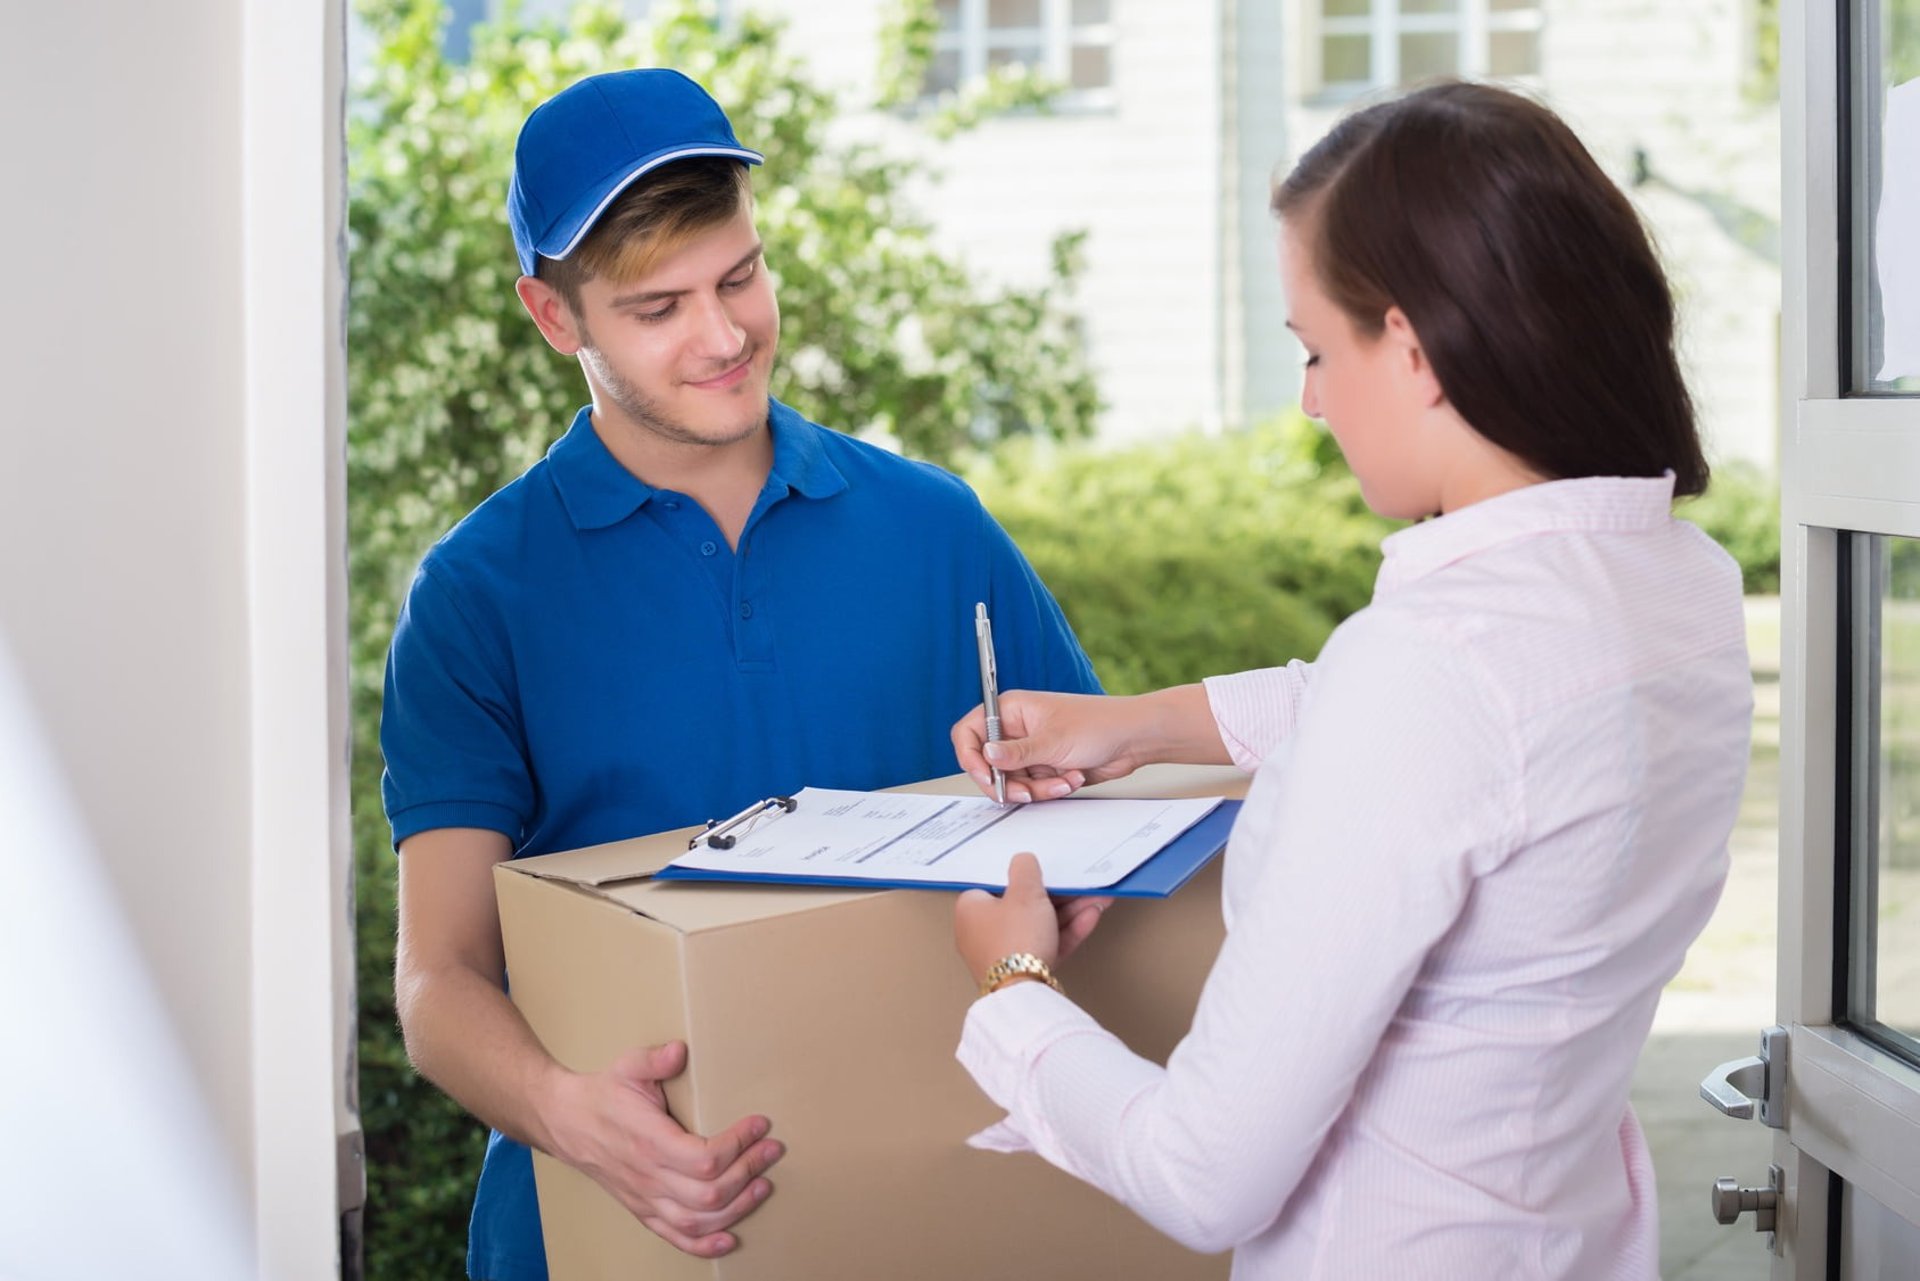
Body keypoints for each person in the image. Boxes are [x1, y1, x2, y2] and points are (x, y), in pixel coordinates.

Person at [948, 81, 1753, 1279]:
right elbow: (1461, 744)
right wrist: (1143, 726)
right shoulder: (1680, 586)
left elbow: (1201, 1173)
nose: (1314, 398)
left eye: (1319, 349)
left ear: (1415, 350)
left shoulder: (1437, 665)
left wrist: (1011, 986)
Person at [381, 68, 1100, 1281]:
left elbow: (1097, 818)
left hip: (926, 1215)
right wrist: (567, 1113)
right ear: (557, 321)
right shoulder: (480, 595)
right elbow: (437, 978)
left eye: (739, 277)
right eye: (658, 309)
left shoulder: (937, 529)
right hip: (609, 1235)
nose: (723, 337)